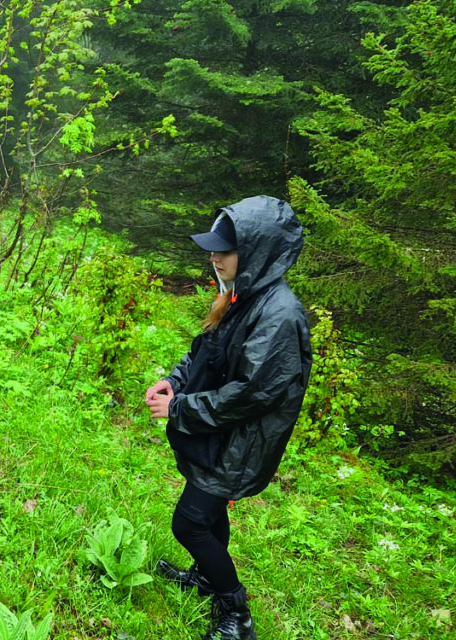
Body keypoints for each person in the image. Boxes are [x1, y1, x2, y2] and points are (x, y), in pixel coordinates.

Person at [144, 196, 312, 640]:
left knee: (190, 523)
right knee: (209, 511)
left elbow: (252, 393)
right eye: (213, 248)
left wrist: (179, 409)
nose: (213, 257)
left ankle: (237, 615)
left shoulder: (278, 314)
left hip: (240, 439)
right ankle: (206, 576)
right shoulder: (240, 293)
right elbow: (205, 351)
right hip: (217, 432)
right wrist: (174, 382)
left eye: (224, 249)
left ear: (257, 251)